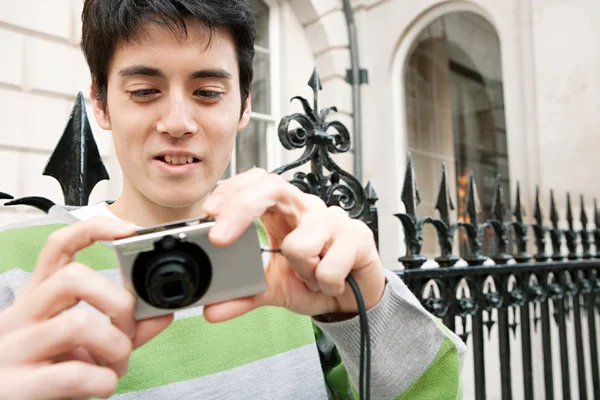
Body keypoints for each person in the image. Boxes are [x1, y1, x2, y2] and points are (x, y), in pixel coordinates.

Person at [0, 0, 466, 399]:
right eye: (144, 92)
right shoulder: (18, 263)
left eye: (207, 92)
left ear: (244, 104)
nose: (178, 122)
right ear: (100, 103)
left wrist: (366, 310)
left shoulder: (291, 252)